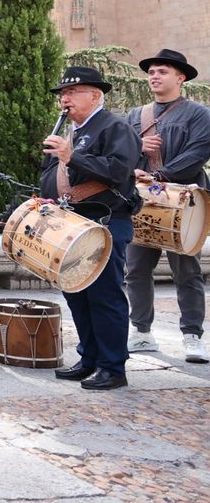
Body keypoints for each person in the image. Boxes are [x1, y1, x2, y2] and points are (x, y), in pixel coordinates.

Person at [42, 66, 141, 390]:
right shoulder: (71, 131)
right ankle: (90, 358)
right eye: (63, 94)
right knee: (76, 293)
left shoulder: (115, 127)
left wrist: (73, 156)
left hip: (107, 223)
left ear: (96, 95)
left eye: (73, 92)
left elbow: (118, 169)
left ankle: (113, 367)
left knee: (104, 295)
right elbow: (52, 173)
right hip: (73, 225)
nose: (65, 99)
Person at [123, 49, 210, 363]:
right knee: (135, 269)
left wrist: (161, 173)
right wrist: (136, 147)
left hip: (183, 202)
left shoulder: (198, 114)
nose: (154, 76)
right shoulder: (135, 116)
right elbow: (116, 154)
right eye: (151, 72)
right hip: (143, 201)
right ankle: (142, 333)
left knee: (187, 271)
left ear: (180, 77)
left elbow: (198, 152)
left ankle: (192, 336)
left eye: (162, 71)